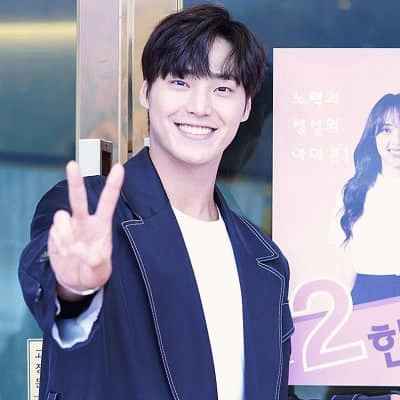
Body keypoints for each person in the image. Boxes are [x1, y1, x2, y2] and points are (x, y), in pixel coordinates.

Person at [19, 5, 293, 400]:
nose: (200, 106)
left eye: (222, 89)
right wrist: (74, 290)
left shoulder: (263, 260)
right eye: (180, 82)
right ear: (146, 91)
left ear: (246, 106)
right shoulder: (91, 213)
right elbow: (49, 285)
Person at [337, 93, 400, 305]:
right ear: (373, 135)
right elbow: (347, 260)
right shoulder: (355, 191)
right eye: (387, 130)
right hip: (367, 298)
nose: (396, 140)